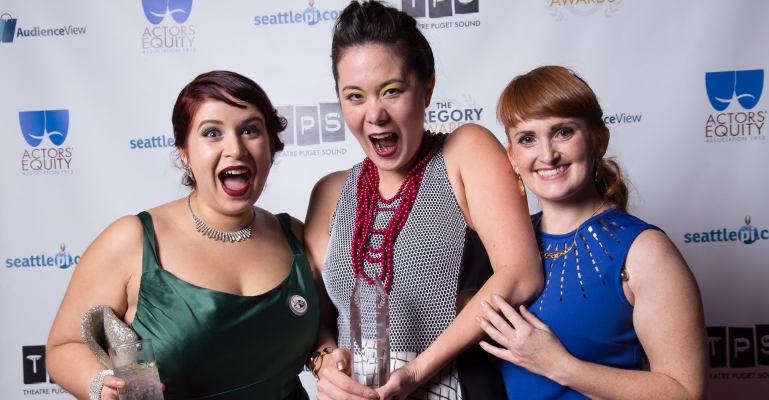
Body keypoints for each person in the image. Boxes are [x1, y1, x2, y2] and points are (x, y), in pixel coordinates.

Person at [303, 2, 543, 399]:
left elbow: (521, 273)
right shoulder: (330, 192)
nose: (375, 113)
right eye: (355, 96)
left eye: (392, 91)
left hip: (450, 386)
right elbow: (319, 321)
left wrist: (415, 372)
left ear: (427, 88)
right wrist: (325, 361)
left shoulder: (465, 152)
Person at [46, 71, 320, 400]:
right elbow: (63, 347)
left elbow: (325, 334)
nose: (235, 148)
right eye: (212, 133)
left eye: (249, 130)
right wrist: (100, 384)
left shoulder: (294, 235)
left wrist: (328, 357)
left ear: (270, 146)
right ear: (184, 152)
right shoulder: (133, 240)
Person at [476, 65, 708, 399]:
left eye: (563, 132)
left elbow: (686, 392)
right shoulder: (508, 243)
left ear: (598, 139)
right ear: (512, 156)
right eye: (528, 139)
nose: (547, 154)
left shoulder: (644, 251)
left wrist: (559, 365)